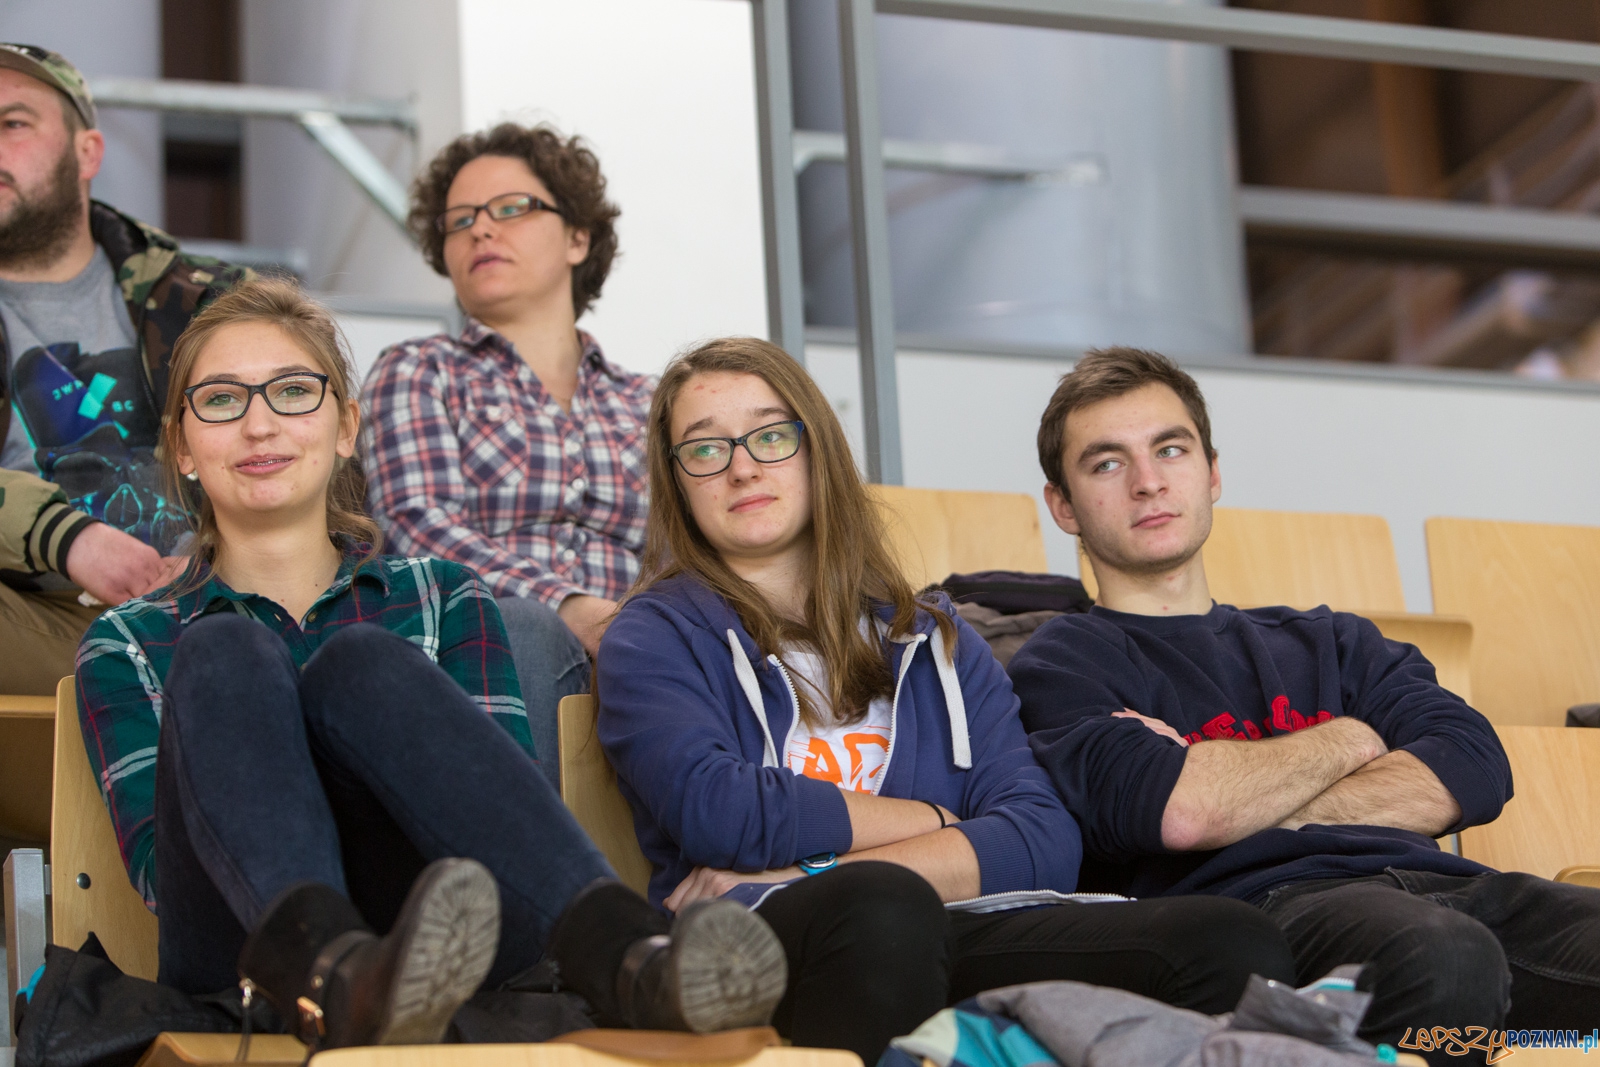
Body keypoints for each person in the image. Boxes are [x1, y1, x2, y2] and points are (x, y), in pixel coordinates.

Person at [74, 279, 786, 1049]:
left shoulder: (443, 595)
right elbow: (164, 871)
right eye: (221, 400)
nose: (259, 424)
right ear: (181, 445)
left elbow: (497, 824)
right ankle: (336, 974)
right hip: (248, 959)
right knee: (222, 648)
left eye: (292, 392)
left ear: (346, 426)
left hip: (450, 934)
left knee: (362, 664)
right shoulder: (129, 640)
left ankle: (630, 959)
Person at [596, 337, 1298, 1065]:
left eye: (772, 435)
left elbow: (1042, 838)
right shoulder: (654, 633)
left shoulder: (932, 635)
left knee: (1230, 943)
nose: (744, 465)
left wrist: (810, 866)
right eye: (706, 449)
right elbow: (720, 809)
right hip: (764, 941)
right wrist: (933, 820)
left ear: (816, 450)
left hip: (958, 920)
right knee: (883, 912)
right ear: (678, 481)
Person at [1009, 345, 1600, 1060]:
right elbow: (1184, 810)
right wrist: (1352, 739)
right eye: (1107, 463)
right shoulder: (1061, 661)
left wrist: (1239, 793)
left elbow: (1473, 766)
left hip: (1454, 887)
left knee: (1494, 972)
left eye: (1171, 449)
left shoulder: (1331, 639)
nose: (1147, 482)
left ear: (1213, 472)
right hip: (1267, 909)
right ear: (1063, 506)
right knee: (1444, 956)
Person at [362, 123, 652, 779]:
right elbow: (417, 525)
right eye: (459, 219)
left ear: (578, 237)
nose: (480, 230)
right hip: (487, 665)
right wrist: (567, 605)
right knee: (520, 624)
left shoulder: (654, 400)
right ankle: (540, 877)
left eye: (511, 209)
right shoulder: (419, 371)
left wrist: (647, 634)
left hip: (645, 665)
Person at [0, 43, 250, 696]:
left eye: (12, 124)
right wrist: (69, 538)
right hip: (45, 619)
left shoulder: (209, 298)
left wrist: (220, 568)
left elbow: (320, 456)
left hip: (227, 603)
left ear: (87, 152)